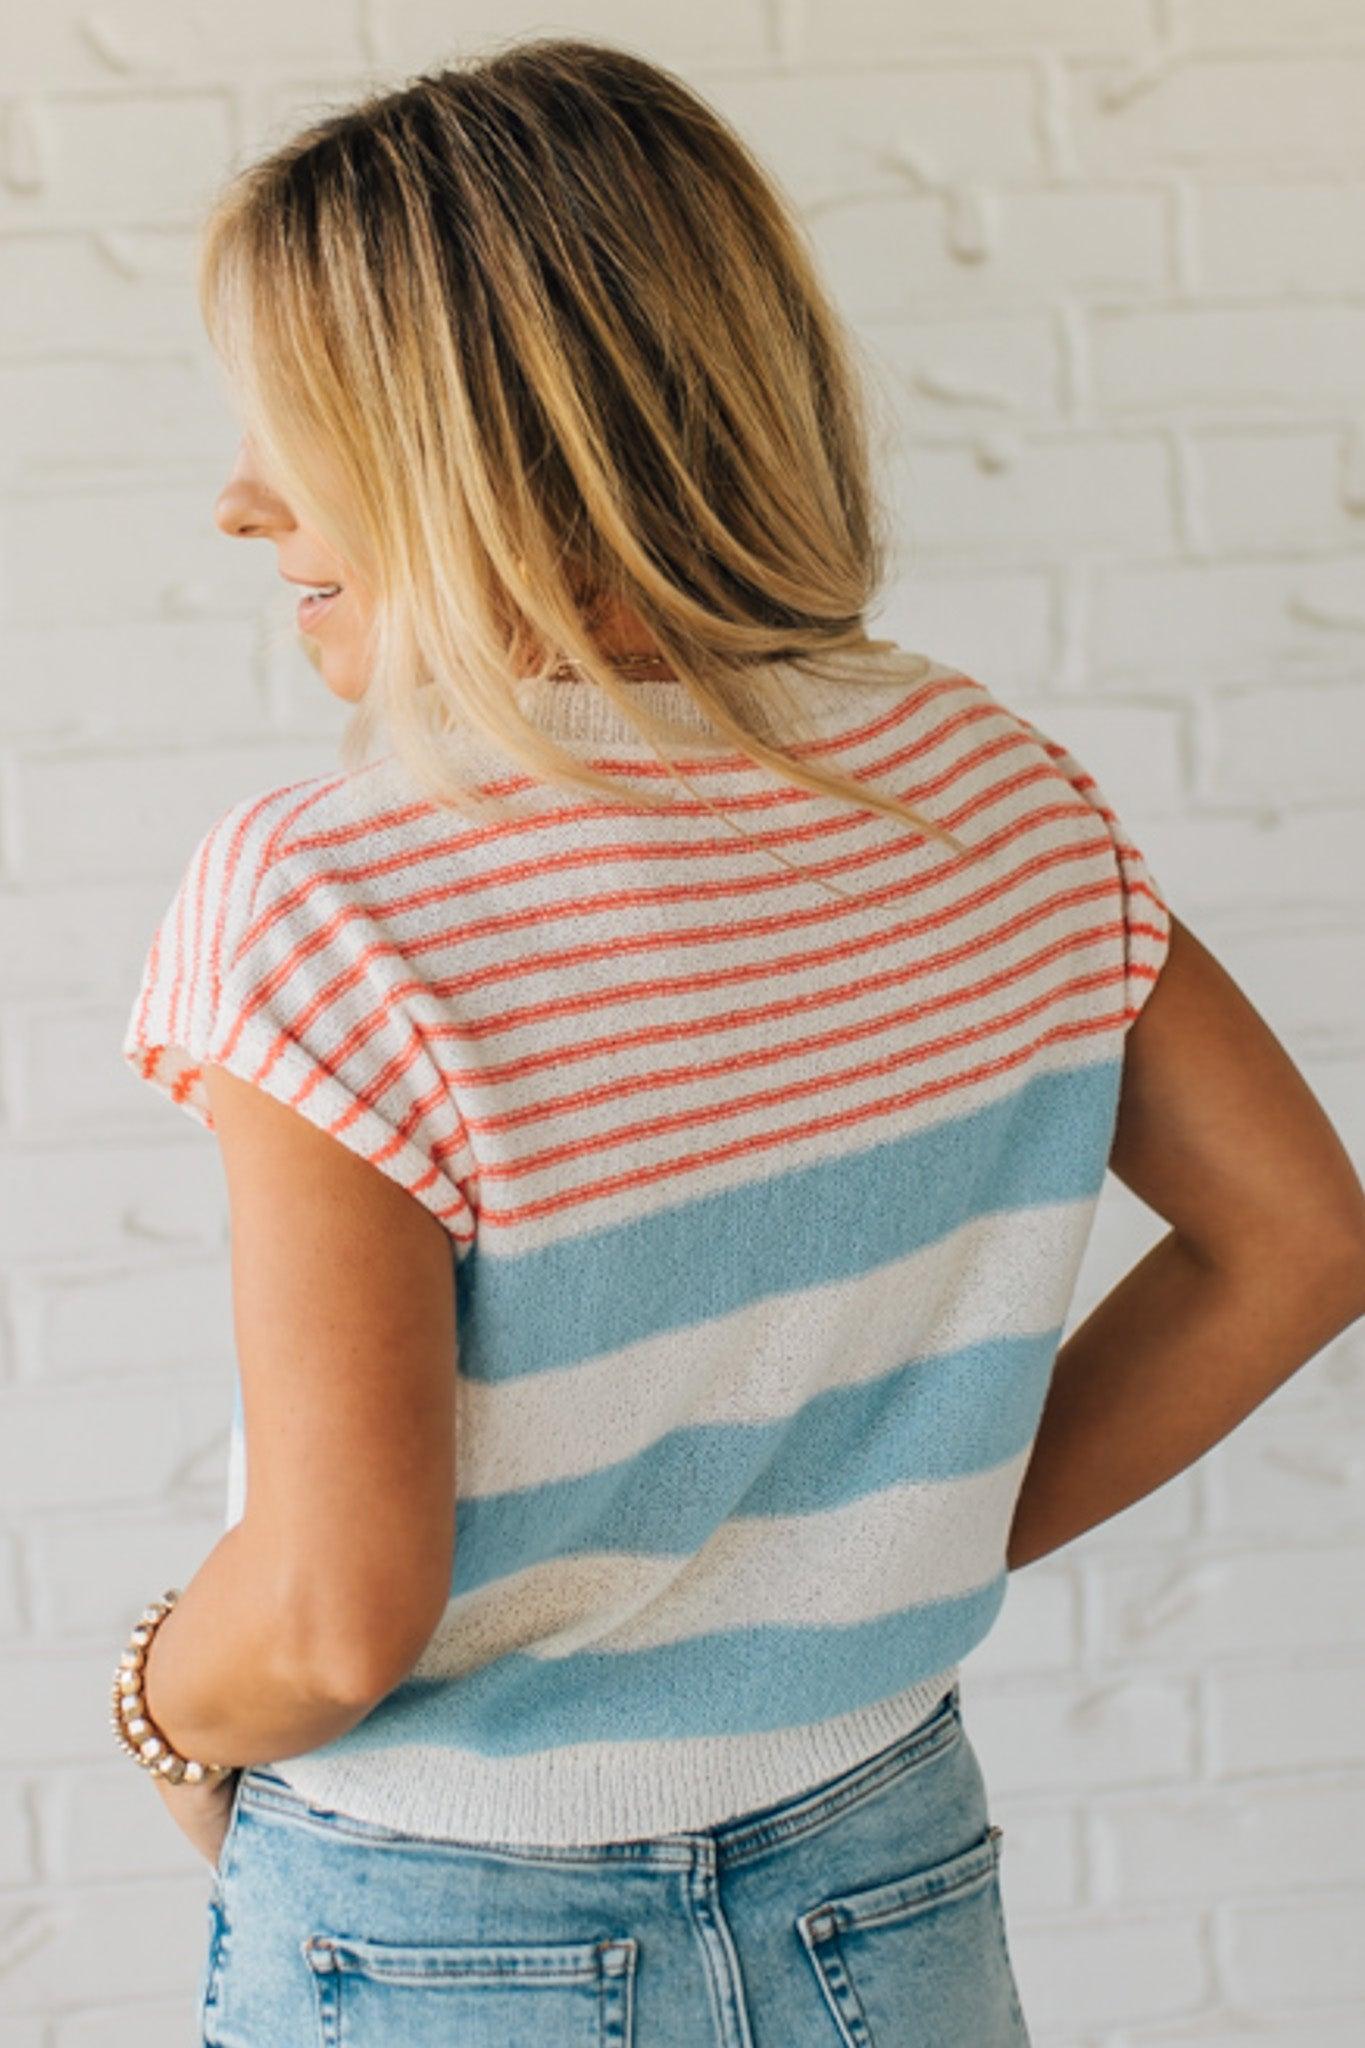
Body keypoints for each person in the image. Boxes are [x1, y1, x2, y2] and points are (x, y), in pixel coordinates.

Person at [113, 34, 1365, 2048]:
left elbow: (337, 1612)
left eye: (301, 427)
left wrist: (153, 1702)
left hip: (445, 1918)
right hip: (883, 1860)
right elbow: (1299, 1236)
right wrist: (870, 1550)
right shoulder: (983, 784)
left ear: (486, 451)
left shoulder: (330, 900)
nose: (242, 498)